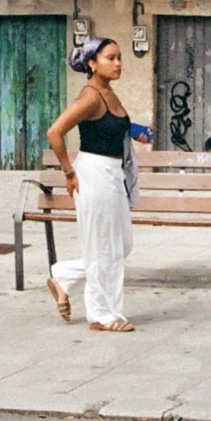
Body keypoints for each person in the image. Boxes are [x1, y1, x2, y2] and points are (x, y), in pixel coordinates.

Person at [45, 36, 140, 333]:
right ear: (91, 63)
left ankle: (63, 275)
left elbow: (112, 127)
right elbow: (55, 132)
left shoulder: (108, 92)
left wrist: (136, 131)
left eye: (119, 57)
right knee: (104, 247)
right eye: (110, 58)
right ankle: (102, 314)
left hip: (113, 174)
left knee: (121, 244)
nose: (118, 63)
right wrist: (68, 172)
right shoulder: (90, 96)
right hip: (94, 173)